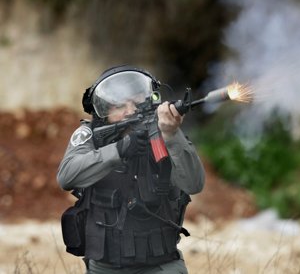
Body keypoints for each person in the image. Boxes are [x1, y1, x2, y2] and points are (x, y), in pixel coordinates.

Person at [57, 65, 205, 273]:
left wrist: (171, 135)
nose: (130, 111)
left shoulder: (165, 131)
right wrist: (121, 148)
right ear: (104, 111)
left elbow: (194, 183)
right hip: (105, 264)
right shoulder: (90, 134)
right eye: (119, 106)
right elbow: (66, 176)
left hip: (161, 262)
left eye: (136, 102)